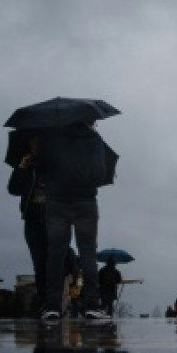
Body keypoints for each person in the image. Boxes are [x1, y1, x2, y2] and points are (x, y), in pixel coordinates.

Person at [36, 121, 115, 322]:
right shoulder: (93, 139)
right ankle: (91, 305)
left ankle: (52, 306)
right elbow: (99, 172)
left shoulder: (51, 139)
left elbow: (41, 172)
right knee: (88, 253)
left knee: (55, 254)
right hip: (85, 201)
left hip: (56, 202)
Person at [7, 140, 48, 313]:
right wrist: (21, 167)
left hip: (53, 219)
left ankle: (52, 302)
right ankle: (45, 303)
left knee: (52, 261)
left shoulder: (54, 165)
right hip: (32, 219)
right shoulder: (26, 167)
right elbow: (13, 189)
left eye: (37, 143)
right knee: (39, 262)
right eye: (32, 144)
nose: (35, 147)